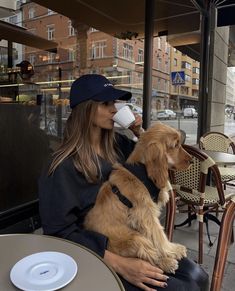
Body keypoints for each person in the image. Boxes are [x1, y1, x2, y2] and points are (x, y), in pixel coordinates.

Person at [39, 74, 209, 291]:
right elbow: (59, 234)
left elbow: (153, 163)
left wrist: (138, 131)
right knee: (184, 288)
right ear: (85, 108)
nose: (114, 109)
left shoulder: (118, 145)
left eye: (115, 103)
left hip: (136, 237)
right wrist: (120, 264)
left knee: (199, 277)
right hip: (100, 251)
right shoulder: (61, 167)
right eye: (106, 103)